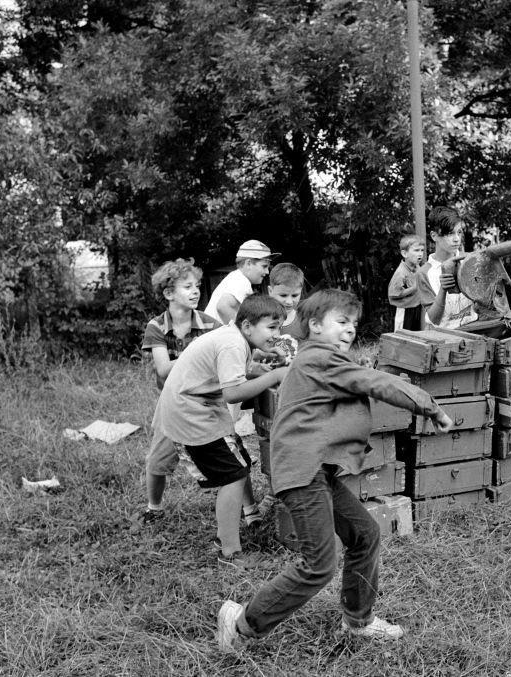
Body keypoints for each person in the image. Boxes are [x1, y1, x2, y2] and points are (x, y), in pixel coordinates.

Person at [215, 289, 455, 652]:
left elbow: (357, 382)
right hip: (302, 473)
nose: (350, 330)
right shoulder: (317, 359)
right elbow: (375, 383)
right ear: (313, 325)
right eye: (341, 322)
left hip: (316, 471)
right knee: (319, 565)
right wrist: (430, 406)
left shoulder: (321, 361)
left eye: (354, 324)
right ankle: (242, 624)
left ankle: (357, 621)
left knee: (364, 534)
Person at [151, 294, 288, 564]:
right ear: (247, 326)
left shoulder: (235, 338)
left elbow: (228, 371)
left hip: (198, 408)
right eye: (271, 328)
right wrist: (273, 376)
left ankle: (245, 520)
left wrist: (258, 366)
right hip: (191, 414)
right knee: (233, 476)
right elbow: (233, 393)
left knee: (239, 463)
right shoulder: (232, 344)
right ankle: (230, 552)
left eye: (280, 328)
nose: (277, 334)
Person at [138, 258, 221, 525]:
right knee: (157, 461)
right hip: (172, 403)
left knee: (232, 458)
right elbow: (163, 370)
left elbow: (222, 360)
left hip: (207, 400)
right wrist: (199, 356)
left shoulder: (211, 325)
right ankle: (154, 508)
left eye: (197, 285)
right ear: (169, 293)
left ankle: (249, 510)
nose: (196, 291)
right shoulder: (156, 327)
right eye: (187, 286)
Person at [416, 206, 478, 329]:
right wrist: (443, 290)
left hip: (474, 329)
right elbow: (434, 319)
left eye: (459, 232)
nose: (456, 239)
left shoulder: (470, 261)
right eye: (450, 233)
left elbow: (482, 304)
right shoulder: (424, 273)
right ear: (434, 236)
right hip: (443, 338)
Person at [203, 240, 278, 325]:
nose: (267, 272)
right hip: (212, 334)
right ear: (248, 263)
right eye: (264, 266)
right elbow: (223, 306)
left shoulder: (237, 278)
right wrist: (242, 332)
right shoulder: (241, 281)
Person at [387, 234, 425, 331]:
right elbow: (393, 294)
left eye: (422, 250)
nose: (420, 254)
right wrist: (414, 288)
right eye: (416, 250)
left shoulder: (417, 267)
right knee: (403, 337)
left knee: (416, 337)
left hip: (416, 307)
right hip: (404, 310)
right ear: (404, 254)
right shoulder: (401, 273)